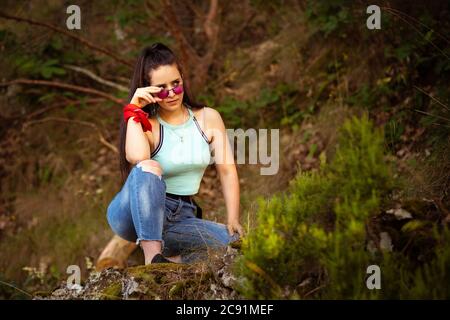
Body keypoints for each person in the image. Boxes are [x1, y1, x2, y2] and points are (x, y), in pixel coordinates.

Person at [106, 43, 244, 265]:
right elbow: (137, 158)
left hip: (181, 218)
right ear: (148, 90)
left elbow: (227, 170)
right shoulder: (148, 124)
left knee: (234, 244)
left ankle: (175, 260)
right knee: (149, 166)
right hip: (132, 214)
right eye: (161, 88)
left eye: (176, 84)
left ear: (182, 80)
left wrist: (233, 218)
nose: (171, 93)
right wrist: (134, 108)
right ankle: (153, 260)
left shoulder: (208, 118)